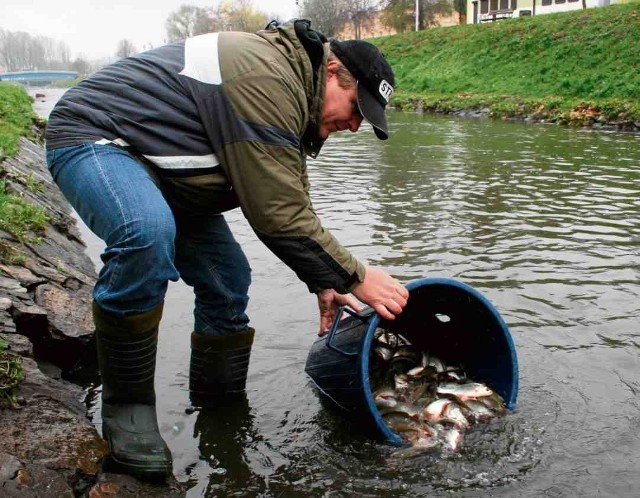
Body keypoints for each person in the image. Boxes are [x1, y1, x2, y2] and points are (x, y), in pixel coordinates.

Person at [44, 19, 408, 478]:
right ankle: (127, 410)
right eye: (358, 108)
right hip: (97, 139)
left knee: (228, 276)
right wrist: (358, 277)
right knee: (145, 233)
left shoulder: (293, 94)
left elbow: (291, 201)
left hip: (166, 172)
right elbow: (277, 216)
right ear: (333, 71)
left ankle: (219, 405)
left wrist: (325, 280)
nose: (355, 126)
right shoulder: (267, 77)